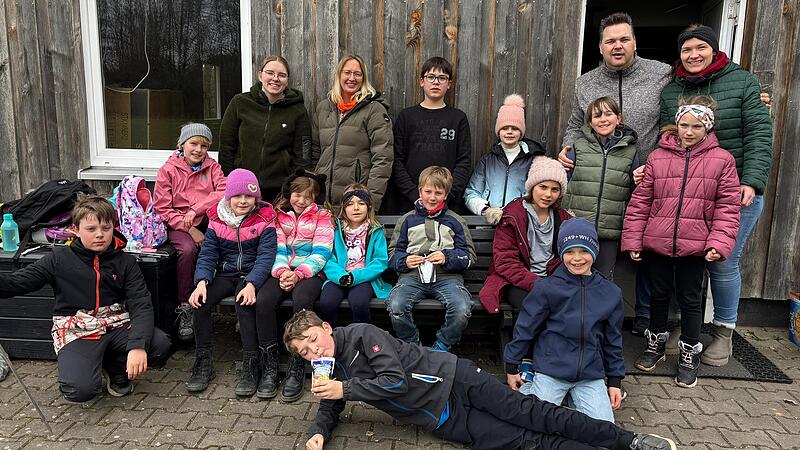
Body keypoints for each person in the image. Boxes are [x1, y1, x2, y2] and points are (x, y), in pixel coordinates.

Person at [284, 310, 677, 450]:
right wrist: (320, 430)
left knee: (536, 414)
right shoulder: (330, 368)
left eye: (312, 341)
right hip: (442, 418)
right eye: (304, 352)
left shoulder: (361, 336)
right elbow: (332, 400)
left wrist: (346, 389)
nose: (312, 352)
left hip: (454, 379)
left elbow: (395, 381)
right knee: (527, 442)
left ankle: (630, 442)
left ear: (326, 327)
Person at [659, 25, 773, 366]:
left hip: (734, 190)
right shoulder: (672, 90)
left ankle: (724, 332)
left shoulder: (742, 82)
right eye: (686, 49)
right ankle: (687, 326)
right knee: (686, 261)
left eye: (700, 47)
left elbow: (759, 132)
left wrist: (751, 180)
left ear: (713, 48)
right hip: (689, 191)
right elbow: (667, 136)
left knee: (723, 262)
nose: (693, 55)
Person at [558, 12, 671, 336]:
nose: (617, 46)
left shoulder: (661, 74)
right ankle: (587, 324)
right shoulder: (586, 82)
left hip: (651, 180)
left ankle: (648, 323)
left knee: (648, 253)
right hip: (601, 182)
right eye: (611, 41)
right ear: (600, 46)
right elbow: (575, 124)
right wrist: (568, 150)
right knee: (599, 257)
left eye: (624, 39)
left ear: (634, 41)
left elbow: (686, 104)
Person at [0, 195, 172, 402]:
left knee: (159, 345)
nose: (99, 235)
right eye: (91, 229)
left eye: (105, 228)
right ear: (76, 229)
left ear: (113, 227)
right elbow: (17, 283)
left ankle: (115, 369)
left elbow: (141, 304)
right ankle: (88, 366)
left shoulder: (126, 261)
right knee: (79, 391)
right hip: (78, 329)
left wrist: (137, 346)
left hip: (116, 324)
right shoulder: (57, 259)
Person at [622, 96, 741, 388]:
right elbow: (641, 202)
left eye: (696, 126)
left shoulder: (722, 160)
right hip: (658, 241)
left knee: (690, 300)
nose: (688, 132)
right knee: (658, 295)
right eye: (684, 125)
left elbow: (727, 207)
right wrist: (635, 239)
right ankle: (656, 345)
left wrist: (718, 242)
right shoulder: (658, 157)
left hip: (695, 245)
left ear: (708, 128)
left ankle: (689, 352)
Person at [504, 217, 624, 422]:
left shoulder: (611, 293)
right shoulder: (546, 288)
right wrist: (512, 365)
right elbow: (526, 328)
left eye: (584, 251)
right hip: (551, 370)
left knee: (604, 428)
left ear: (594, 251)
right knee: (535, 422)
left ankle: (568, 403)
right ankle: (530, 391)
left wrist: (614, 381)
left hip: (590, 375)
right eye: (569, 252)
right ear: (561, 253)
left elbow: (613, 339)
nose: (577, 258)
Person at [185, 169, 278, 398]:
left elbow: (266, 257)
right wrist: (201, 282)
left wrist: (252, 283)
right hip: (225, 273)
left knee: (243, 303)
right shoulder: (217, 220)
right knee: (200, 303)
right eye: (237, 196)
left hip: (252, 274)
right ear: (228, 197)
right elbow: (207, 254)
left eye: (248, 196)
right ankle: (203, 362)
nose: (243, 201)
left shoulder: (265, 219)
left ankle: (251, 363)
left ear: (256, 198)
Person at [261, 170, 334, 402]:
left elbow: (322, 251)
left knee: (302, 301)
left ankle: (296, 365)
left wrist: (298, 274)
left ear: (315, 199)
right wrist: (283, 273)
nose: (301, 201)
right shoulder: (279, 216)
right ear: (289, 193)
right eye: (297, 195)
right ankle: (269, 365)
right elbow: (277, 248)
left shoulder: (322, 216)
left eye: (307, 197)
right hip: (282, 269)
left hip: (310, 272)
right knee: (263, 301)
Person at [386, 166, 476, 351]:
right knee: (396, 305)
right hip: (412, 277)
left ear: (446, 194)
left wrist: (447, 257)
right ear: (420, 191)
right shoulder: (407, 220)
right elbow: (392, 254)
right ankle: (413, 347)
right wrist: (404, 261)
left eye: (438, 192)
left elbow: (469, 256)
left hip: (448, 278)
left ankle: (441, 345)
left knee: (461, 308)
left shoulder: (456, 221)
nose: (432, 197)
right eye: (428, 191)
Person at [154, 123, 227, 343]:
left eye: (204, 146)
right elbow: (163, 208)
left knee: (226, 243)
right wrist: (191, 228)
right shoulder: (168, 170)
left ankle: (225, 300)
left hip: (206, 218)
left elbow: (223, 190)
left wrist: (197, 209)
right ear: (182, 144)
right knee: (186, 250)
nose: (198, 149)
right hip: (178, 224)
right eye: (193, 143)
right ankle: (185, 305)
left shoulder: (212, 167)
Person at [479, 156, 571, 313]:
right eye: (543, 187)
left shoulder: (564, 219)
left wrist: (556, 282)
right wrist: (537, 283)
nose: (548, 194)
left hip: (552, 279)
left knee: (570, 306)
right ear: (532, 187)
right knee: (538, 307)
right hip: (517, 282)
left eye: (555, 189)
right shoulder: (512, 216)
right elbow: (505, 262)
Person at [560, 97, 639, 280]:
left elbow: (635, 191)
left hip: (609, 230)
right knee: (573, 277)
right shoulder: (577, 148)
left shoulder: (630, 151)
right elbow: (564, 183)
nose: (603, 119)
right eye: (597, 115)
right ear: (589, 122)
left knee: (603, 279)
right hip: (577, 226)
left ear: (618, 118)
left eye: (608, 114)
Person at [383, 57, 472, 214]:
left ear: (449, 84)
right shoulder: (407, 117)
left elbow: (464, 162)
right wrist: (413, 195)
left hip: (447, 205)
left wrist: (446, 195)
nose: (436, 82)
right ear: (422, 81)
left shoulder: (458, 118)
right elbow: (395, 160)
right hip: (408, 204)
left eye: (442, 78)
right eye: (431, 77)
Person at [219, 55, 312, 203]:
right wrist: (229, 181)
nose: (275, 78)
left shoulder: (298, 111)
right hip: (243, 190)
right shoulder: (240, 103)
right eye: (270, 73)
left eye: (281, 75)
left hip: (279, 191)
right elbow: (226, 147)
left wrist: (293, 188)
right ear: (260, 75)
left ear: (287, 81)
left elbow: (303, 155)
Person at [313, 54, 393, 210]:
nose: (352, 78)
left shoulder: (374, 110)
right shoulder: (324, 108)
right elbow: (315, 153)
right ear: (339, 75)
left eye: (357, 74)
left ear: (364, 78)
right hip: (322, 203)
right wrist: (313, 191)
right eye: (347, 72)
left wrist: (370, 203)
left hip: (355, 203)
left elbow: (383, 158)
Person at [464, 94, 544, 224]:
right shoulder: (487, 161)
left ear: (521, 132)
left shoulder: (533, 160)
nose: (509, 132)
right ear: (498, 132)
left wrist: (517, 211)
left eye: (515, 128)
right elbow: (471, 193)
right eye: (505, 128)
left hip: (520, 223)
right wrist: (486, 210)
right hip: (488, 223)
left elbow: (537, 194)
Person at [320, 184, 392, 327]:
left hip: (364, 278)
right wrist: (340, 275)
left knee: (359, 302)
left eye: (361, 203)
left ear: (369, 206)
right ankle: (333, 339)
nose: (356, 208)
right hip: (338, 277)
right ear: (343, 208)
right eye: (350, 204)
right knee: (327, 302)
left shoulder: (375, 231)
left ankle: (361, 339)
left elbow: (380, 261)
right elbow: (328, 257)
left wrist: (357, 276)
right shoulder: (335, 230)